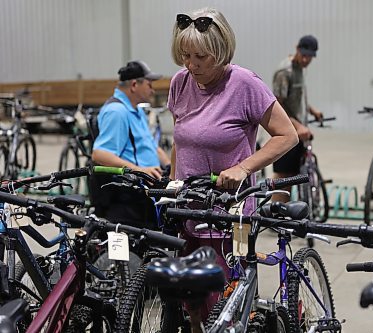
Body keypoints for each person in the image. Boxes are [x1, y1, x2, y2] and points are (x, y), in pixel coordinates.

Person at [167, 7, 298, 320]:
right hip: (187, 208)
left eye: (201, 57)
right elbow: (180, 141)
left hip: (229, 212)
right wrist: (172, 185)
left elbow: (287, 136)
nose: (191, 64)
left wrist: (244, 168)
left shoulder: (243, 84)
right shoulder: (180, 83)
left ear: (220, 50)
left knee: (222, 305)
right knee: (190, 304)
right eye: (186, 55)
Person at [91, 60, 170, 227]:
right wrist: (140, 170)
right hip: (129, 197)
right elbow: (100, 154)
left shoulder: (135, 109)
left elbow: (150, 144)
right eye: (149, 85)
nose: (152, 90)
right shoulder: (117, 112)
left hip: (148, 189)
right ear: (134, 84)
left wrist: (170, 165)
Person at [272, 35, 324, 203]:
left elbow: (295, 97)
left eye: (309, 56)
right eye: (303, 54)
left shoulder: (300, 69)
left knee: (293, 175)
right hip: (285, 131)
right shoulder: (285, 72)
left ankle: (284, 212)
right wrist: (297, 127)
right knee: (284, 176)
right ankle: (275, 216)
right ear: (296, 48)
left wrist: (312, 110)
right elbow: (277, 107)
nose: (306, 59)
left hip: (298, 130)